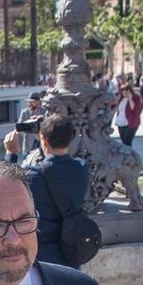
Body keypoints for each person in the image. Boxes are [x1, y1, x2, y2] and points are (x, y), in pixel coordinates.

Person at [26, 113, 92, 268]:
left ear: (43, 139)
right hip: (72, 251)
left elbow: (11, 184)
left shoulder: (33, 176)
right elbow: (53, 167)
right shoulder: (80, 168)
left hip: (43, 255)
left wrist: (11, 153)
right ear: (70, 139)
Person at [16, 92, 48, 159]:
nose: (31, 103)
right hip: (28, 146)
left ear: (38, 102)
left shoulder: (44, 111)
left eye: (33, 102)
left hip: (41, 144)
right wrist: (29, 122)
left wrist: (41, 119)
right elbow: (19, 126)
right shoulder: (24, 112)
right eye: (30, 102)